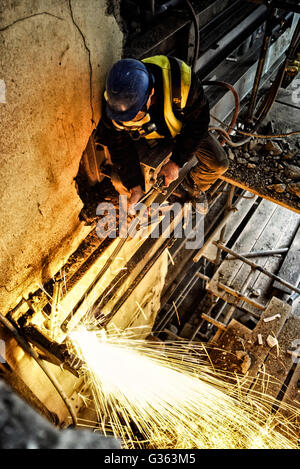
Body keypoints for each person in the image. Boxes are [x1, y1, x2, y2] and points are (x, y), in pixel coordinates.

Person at [94, 55, 229, 214]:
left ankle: (192, 184)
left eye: (135, 115)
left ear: (151, 93)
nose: (129, 120)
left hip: (182, 130)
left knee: (219, 163)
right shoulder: (117, 103)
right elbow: (118, 143)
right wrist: (134, 185)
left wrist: (177, 162)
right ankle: (140, 209)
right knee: (120, 180)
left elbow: (198, 124)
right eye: (126, 118)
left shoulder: (182, 82)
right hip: (148, 137)